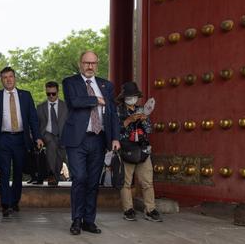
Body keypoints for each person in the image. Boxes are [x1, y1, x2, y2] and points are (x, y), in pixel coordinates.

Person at [62, 50, 120, 236]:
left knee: (93, 182)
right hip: (77, 140)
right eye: (86, 63)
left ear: (97, 64)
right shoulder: (70, 82)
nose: (89, 66)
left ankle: (89, 220)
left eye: (93, 63)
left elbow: (112, 113)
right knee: (79, 178)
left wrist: (115, 137)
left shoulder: (106, 85)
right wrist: (96, 100)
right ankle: (76, 220)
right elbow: (74, 102)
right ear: (80, 63)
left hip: (99, 138)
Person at [0, 67, 42, 217]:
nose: (8, 79)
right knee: (5, 172)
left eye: (11, 76)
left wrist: (37, 136)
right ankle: (5, 204)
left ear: (15, 78)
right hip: (3, 139)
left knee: (18, 172)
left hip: (21, 139)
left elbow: (33, 118)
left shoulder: (25, 95)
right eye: (5, 77)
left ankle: (15, 201)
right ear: (1, 80)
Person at [116, 81, 162, 223]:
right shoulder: (117, 111)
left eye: (134, 96)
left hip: (143, 149)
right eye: (129, 96)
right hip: (126, 149)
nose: (132, 99)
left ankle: (150, 209)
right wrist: (128, 120)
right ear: (123, 97)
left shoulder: (142, 109)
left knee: (147, 181)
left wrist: (145, 119)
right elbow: (115, 131)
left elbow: (149, 130)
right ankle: (128, 209)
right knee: (126, 182)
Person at [36, 81, 68, 186]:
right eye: (48, 94)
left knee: (60, 154)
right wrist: (37, 138)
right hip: (47, 133)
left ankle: (54, 176)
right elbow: (36, 124)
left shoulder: (66, 106)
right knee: (51, 142)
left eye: (53, 93)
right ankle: (51, 174)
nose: (51, 96)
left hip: (62, 135)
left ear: (57, 92)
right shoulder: (40, 107)